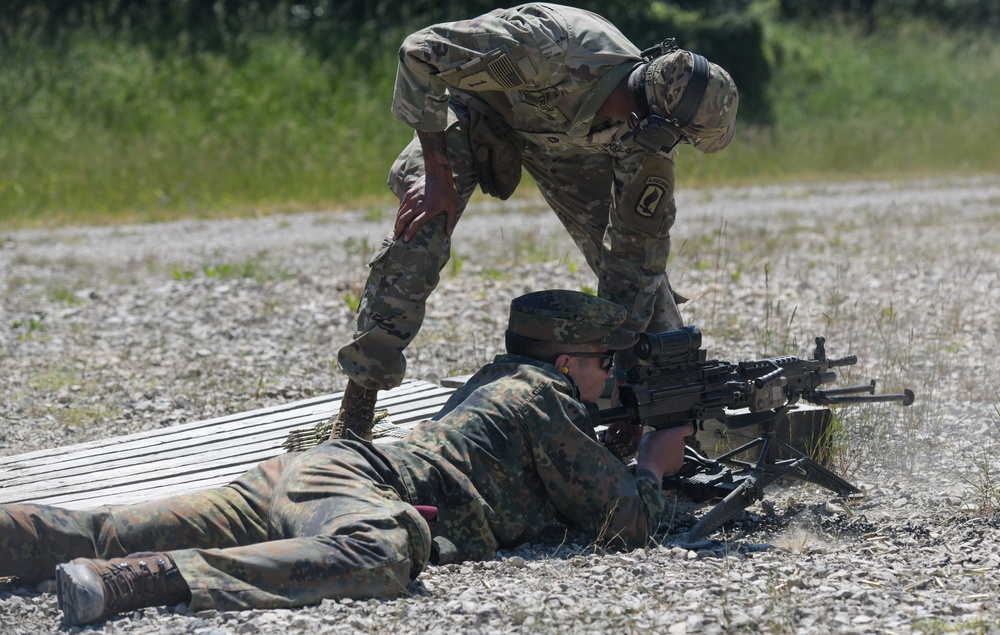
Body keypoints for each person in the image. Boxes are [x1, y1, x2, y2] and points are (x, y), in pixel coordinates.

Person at [0, 290, 691, 627]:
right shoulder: (542, 393)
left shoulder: (500, 378)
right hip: (353, 484)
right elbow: (624, 521)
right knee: (384, 550)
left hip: (308, 472)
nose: (613, 376)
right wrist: (656, 461)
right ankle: (145, 581)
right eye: (608, 362)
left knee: (112, 523)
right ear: (565, 361)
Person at [333, 2, 739, 438]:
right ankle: (358, 407)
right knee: (421, 231)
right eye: (677, 136)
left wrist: (626, 381)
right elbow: (419, 52)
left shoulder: (644, 143)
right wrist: (437, 174)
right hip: (478, 112)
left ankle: (662, 410)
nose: (672, 146)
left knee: (640, 272)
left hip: (563, 145)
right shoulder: (547, 45)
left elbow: (636, 255)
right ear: (659, 121)